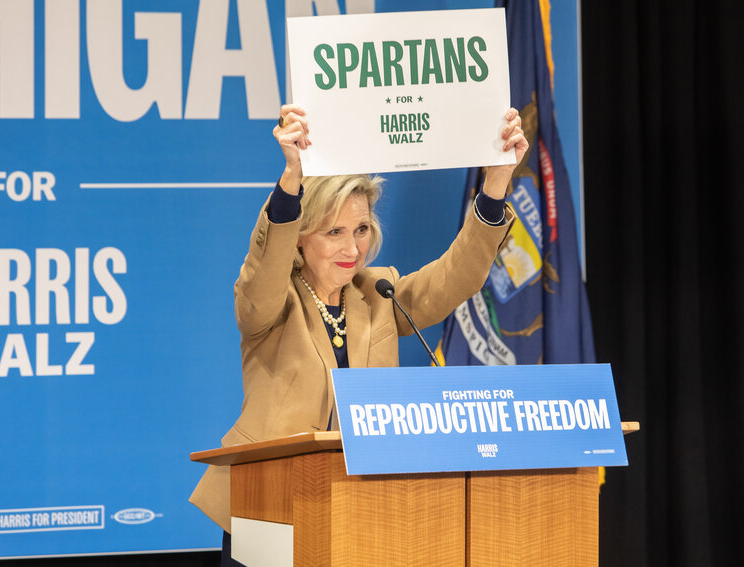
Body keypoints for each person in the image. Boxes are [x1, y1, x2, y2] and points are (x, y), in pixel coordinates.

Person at [191, 104, 527, 566]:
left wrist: (493, 187)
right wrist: (292, 180)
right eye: (334, 232)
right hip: (268, 506)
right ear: (301, 237)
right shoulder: (268, 302)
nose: (353, 249)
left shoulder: (378, 292)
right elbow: (264, 266)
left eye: (362, 229)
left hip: (362, 505)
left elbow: (456, 278)